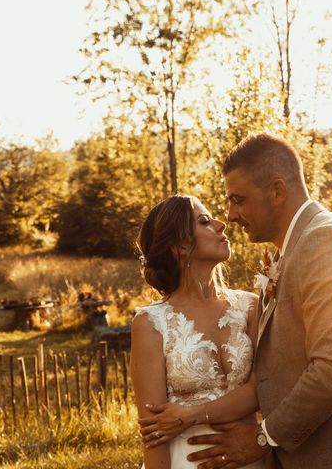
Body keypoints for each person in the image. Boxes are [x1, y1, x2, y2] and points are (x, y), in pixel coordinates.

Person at [187, 133, 332, 468]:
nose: (231, 214)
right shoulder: (300, 244)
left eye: (238, 200)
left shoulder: (327, 241)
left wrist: (262, 438)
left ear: (277, 191)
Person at [131, 195, 266, 469]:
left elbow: (260, 389)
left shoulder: (251, 306)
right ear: (180, 245)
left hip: (250, 458)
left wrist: (191, 414)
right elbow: (153, 431)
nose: (221, 224)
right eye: (204, 221)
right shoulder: (151, 322)